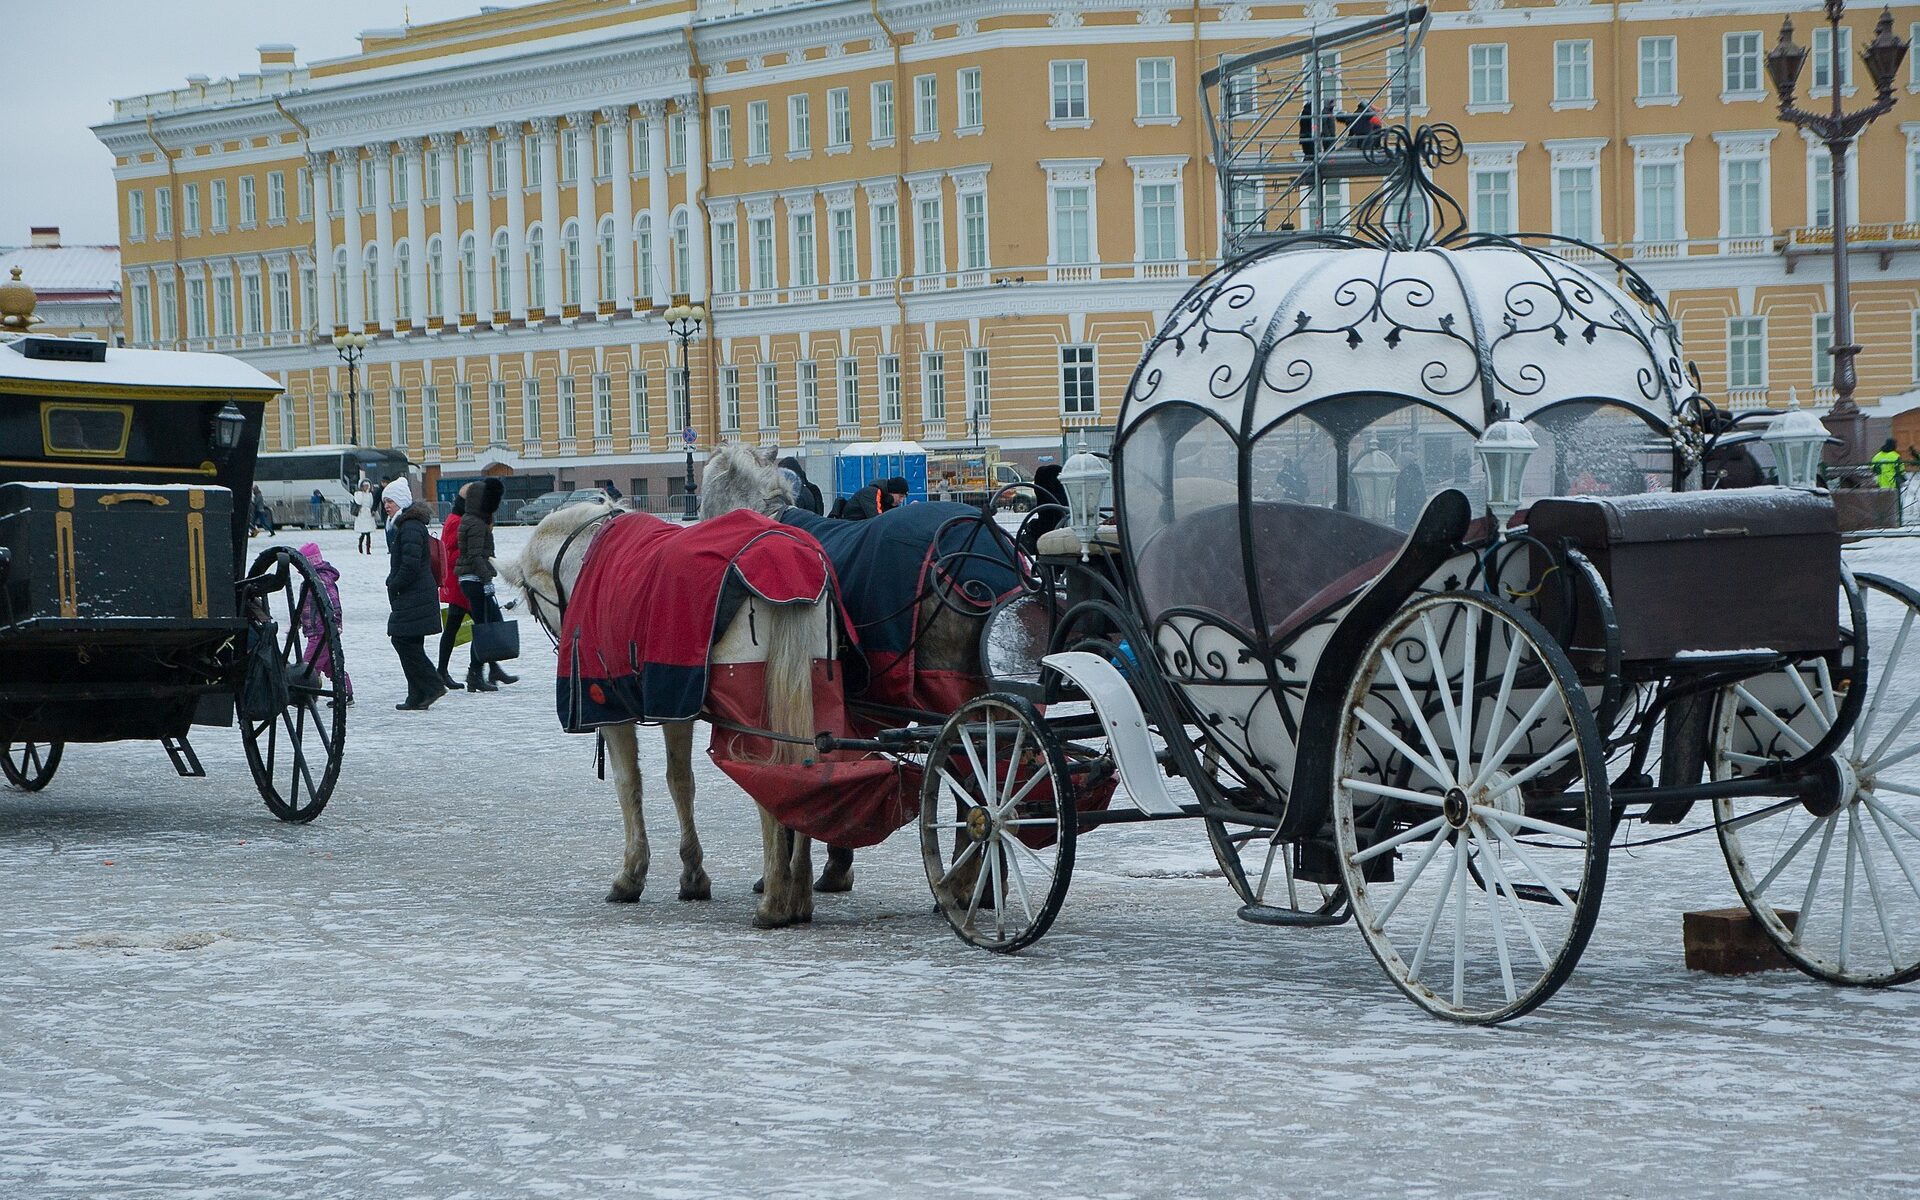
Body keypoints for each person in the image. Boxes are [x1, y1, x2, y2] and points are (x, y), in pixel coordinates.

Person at [383, 476, 448, 710]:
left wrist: (394, 583)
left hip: (414, 594)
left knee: (402, 640)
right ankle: (417, 695)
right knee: (411, 642)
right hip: (416, 594)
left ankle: (432, 685)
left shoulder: (409, 527)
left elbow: (409, 565)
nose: (386, 506)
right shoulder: (407, 525)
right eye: (385, 502)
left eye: (390, 501)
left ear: (401, 501)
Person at [455, 478, 519, 690]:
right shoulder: (474, 523)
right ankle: (475, 676)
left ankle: (490, 669)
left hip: (473, 579)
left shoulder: (474, 520)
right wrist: (486, 579)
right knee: (482, 628)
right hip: (474, 580)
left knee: (488, 624)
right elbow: (474, 556)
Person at [296, 542, 352, 707]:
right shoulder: (309, 580)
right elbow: (305, 606)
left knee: (310, 665)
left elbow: (334, 602)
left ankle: (307, 694)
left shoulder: (322, 580)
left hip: (322, 631)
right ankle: (346, 693)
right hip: (315, 629)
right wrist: (298, 622)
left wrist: (336, 623)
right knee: (330, 665)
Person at [435, 486, 473, 691]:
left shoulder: (460, 520)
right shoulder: (455, 522)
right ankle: (481, 670)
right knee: (477, 624)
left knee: (458, 628)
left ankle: (444, 670)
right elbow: (448, 552)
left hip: (463, 581)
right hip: (458, 583)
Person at [351, 480, 377, 554]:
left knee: (368, 533)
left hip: (368, 514)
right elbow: (358, 502)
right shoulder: (358, 494)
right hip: (361, 514)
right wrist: (360, 495)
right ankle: (360, 546)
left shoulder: (370, 495)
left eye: (367, 486)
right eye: (365, 486)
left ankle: (368, 549)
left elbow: (371, 504)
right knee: (363, 533)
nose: (366, 487)